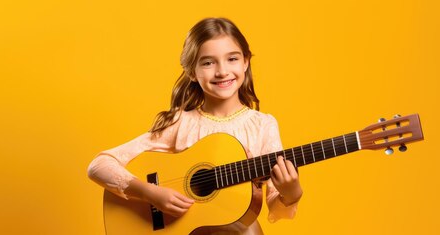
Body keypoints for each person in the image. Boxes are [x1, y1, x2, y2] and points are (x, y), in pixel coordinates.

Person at [87, 17, 303, 234]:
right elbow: (99, 166)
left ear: (245, 62)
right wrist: (149, 193)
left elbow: (277, 208)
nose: (222, 71)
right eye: (208, 62)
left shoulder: (262, 126)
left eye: (232, 59)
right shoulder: (181, 124)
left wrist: (291, 193)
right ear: (191, 71)